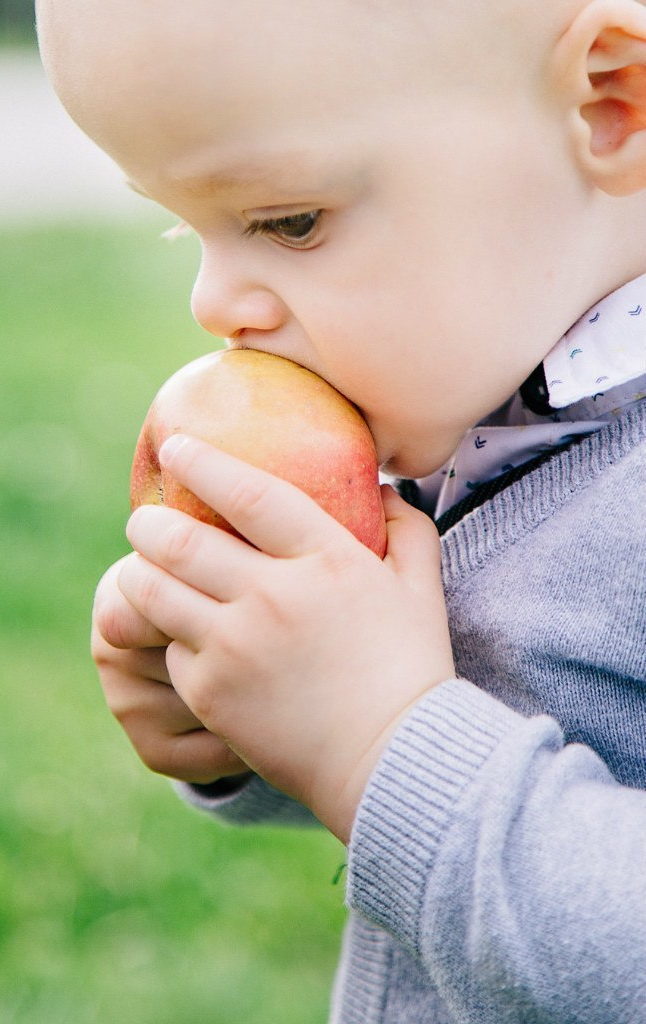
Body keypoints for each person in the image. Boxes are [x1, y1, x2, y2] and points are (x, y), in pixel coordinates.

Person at [36, 0, 646, 1019]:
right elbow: (493, 741)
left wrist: (376, 745)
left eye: (287, 220)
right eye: (182, 223)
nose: (211, 298)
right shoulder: (481, 392)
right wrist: (260, 719)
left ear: (606, 103)